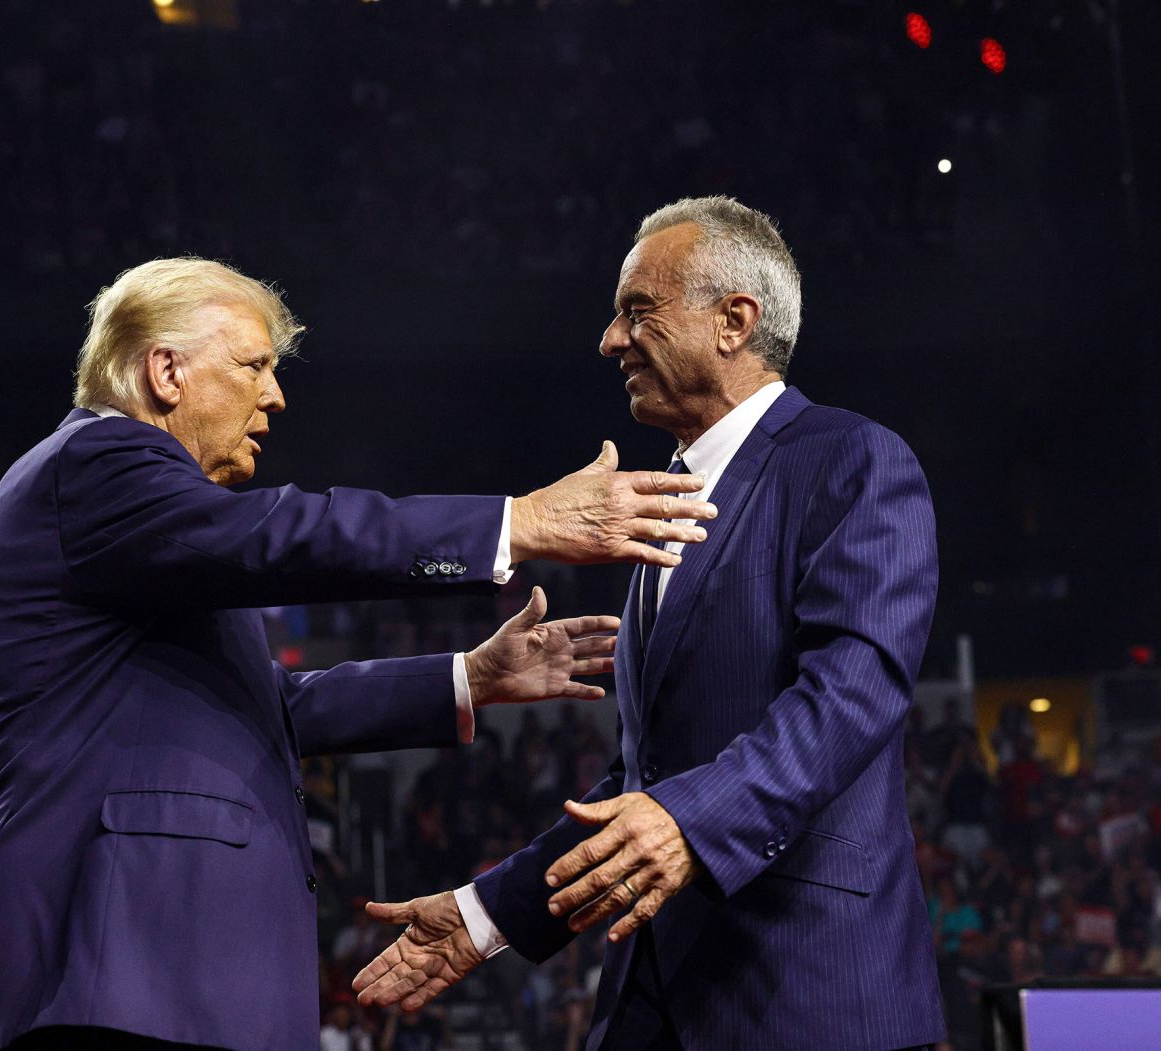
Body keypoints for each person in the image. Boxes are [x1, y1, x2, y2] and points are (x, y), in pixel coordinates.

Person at [0, 257, 718, 1051]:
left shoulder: (148, 537)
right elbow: (285, 535)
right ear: (165, 370)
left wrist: (471, 678)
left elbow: (269, 706)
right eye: (253, 366)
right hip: (104, 968)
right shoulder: (98, 465)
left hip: (159, 973)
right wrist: (515, 523)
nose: (274, 396)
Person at [355, 197, 943, 1049]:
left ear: (735, 320)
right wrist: (487, 914)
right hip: (653, 996)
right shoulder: (668, 500)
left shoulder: (852, 460)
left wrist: (687, 821)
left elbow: (853, 693)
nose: (609, 340)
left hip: (807, 991)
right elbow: (645, 777)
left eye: (638, 311)